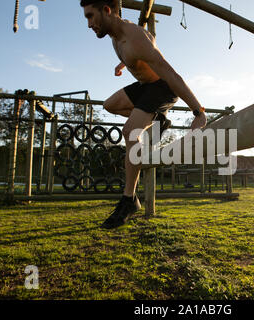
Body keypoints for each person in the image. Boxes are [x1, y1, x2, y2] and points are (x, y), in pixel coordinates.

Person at [80, 0, 207, 229]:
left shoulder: (136, 37)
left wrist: (197, 111)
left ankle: (129, 199)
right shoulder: (114, 35)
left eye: (90, 16)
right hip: (145, 87)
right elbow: (129, 51)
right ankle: (158, 119)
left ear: (107, 11)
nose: (89, 24)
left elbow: (171, 74)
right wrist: (122, 64)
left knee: (130, 132)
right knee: (110, 104)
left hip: (162, 88)